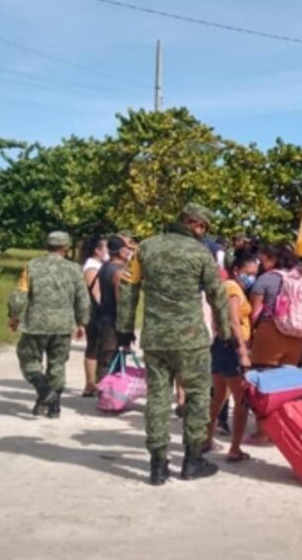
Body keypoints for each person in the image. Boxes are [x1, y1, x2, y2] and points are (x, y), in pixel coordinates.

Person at [117, 204, 231, 486]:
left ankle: (158, 465)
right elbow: (217, 294)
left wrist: (124, 328)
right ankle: (192, 461)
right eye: (203, 227)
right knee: (197, 397)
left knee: (157, 399)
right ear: (196, 224)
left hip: (156, 339)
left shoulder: (145, 248)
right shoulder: (200, 253)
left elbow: (128, 288)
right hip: (191, 340)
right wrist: (226, 330)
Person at [7, 231, 91, 418]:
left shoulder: (32, 266)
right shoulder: (75, 269)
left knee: (29, 360)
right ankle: (54, 408)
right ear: (66, 248)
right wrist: (82, 323)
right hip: (63, 325)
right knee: (58, 364)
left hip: (35, 324)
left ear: (47, 246)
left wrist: (14, 316)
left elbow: (19, 295)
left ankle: (44, 392)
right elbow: (82, 299)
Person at [205, 251, 259, 463]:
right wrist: (243, 352)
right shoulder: (233, 289)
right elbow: (234, 321)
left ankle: (206, 438)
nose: (252, 277)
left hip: (221, 345)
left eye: (255, 273)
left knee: (219, 396)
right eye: (249, 272)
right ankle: (235, 449)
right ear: (237, 270)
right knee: (242, 400)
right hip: (232, 348)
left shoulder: (226, 286)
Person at [249, 244, 302, 368]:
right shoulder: (299, 279)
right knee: (287, 380)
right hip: (297, 335)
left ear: (273, 259)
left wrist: (249, 337)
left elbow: (255, 313)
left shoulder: (265, 279)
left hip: (270, 331)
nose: (261, 264)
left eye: (263, 260)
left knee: (264, 375)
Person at [92, 236, 130, 384]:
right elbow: (122, 302)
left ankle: (108, 394)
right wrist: (125, 329)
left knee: (106, 358)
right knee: (111, 359)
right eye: (128, 249)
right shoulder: (119, 272)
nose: (130, 252)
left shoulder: (105, 267)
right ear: (121, 251)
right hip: (113, 321)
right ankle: (108, 396)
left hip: (103, 317)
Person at [80, 236, 109, 397]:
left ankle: (98, 382)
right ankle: (90, 383)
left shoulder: (101, 265)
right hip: (95, 312)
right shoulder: (91, 267)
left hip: (99, 311)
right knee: (94, 347)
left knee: (100, 347)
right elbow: (96, 291)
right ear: (97, 250)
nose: (108, 252)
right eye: (105, 248)